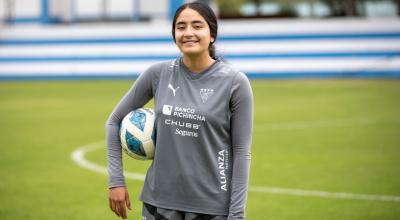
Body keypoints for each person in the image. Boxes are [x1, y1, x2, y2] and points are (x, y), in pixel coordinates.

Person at [106, 1, 253, 219]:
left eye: (197, 26)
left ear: (212, 34)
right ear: (174, 34)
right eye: (181, 27)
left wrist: (237, 214)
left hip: (212, 207)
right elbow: (114, 121)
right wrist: (116, 181)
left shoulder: (235, 82)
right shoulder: (157, 74)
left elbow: (241, 152)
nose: (188, 33)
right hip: (160, 203)